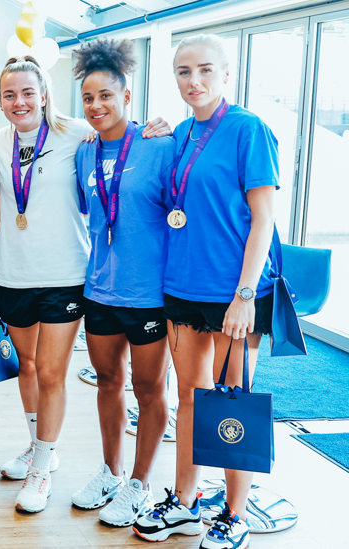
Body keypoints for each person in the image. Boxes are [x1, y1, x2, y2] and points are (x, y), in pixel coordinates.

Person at [0, 56, 170, 514]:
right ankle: (71, 460)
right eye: (9, 94)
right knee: (38, 370)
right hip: (69, 281)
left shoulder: (76, 134)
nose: (20, 101)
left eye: (28, 92)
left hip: (76, 276)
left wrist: (162, 124)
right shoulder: (2, 143)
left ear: (45, 95)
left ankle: (92, 473)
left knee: (59, 374)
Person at [133, 34, 278, 549]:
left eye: (204, 71)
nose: (192, 81)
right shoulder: (179, 136)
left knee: (232, 404)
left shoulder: (248, 129)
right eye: (182, 72)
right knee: (191, 401)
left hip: (233, 292)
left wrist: (244, 294)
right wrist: (153, 138)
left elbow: (264, 219)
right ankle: (186, 501)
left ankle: (235, 513)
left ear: (226, 74)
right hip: (182, 286)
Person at [69, 39, 177, 527]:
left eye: (106, 96)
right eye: (89, 98)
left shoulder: (159, 145)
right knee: (108, 383)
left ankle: (140, 483)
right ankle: (111, 472)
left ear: (127, 96)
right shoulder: (83, 153)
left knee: (149, 388)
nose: (96, 106)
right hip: (100, 291)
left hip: (149, 294)